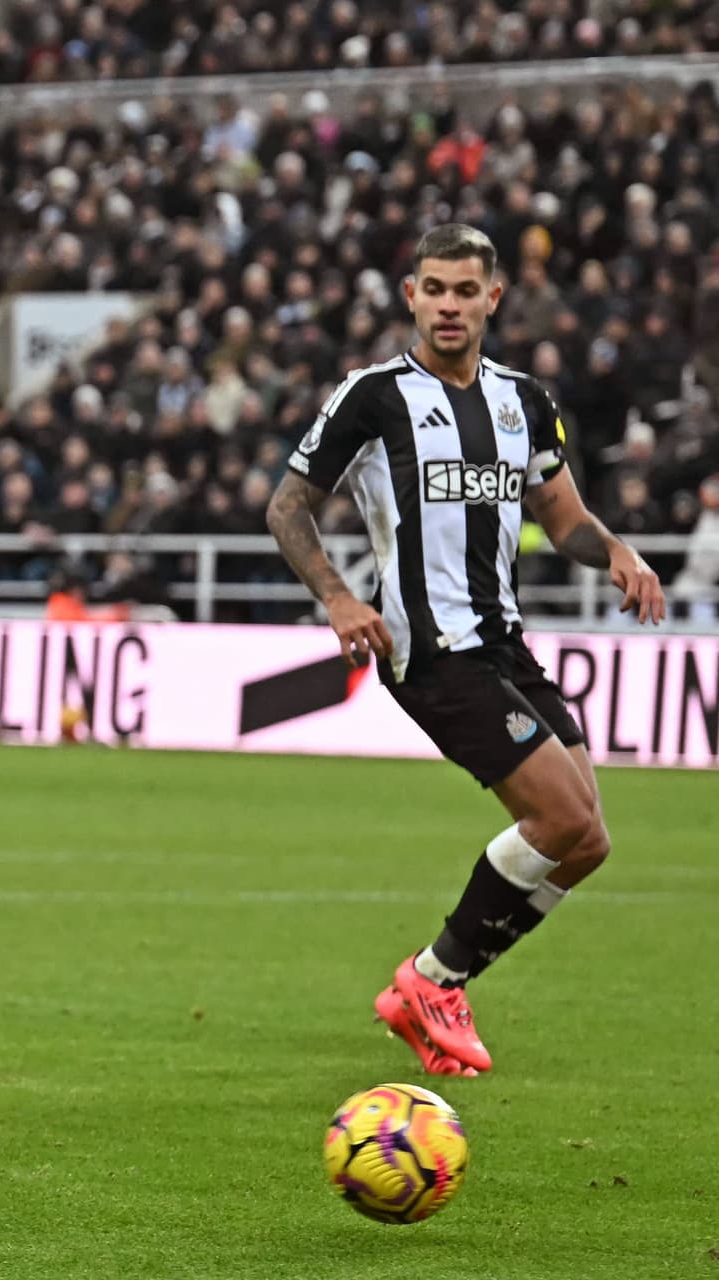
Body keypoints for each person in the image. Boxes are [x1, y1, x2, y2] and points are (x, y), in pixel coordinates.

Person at [266, 223, 664, 1079]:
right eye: (435, 290)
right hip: (431, 650)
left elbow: (563, 519)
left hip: (504, 643)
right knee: (558, 819)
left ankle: (432, 986)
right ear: (411, 296)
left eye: (466, 290)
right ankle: (433, 981)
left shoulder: (525, 400)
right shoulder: (373, 396)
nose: (450, 306)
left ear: (494, 298)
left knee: (588, 841)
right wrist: (337, 597)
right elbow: (287, 506)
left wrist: (616, 551)